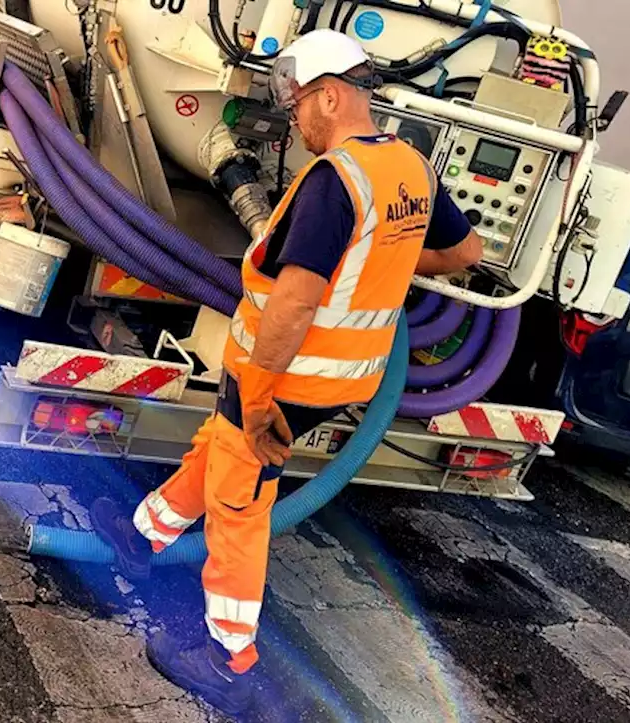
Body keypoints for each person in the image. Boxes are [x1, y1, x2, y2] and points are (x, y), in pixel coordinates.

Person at [89, 29, 483, 715]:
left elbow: (297, 298)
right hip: (343, 378)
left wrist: (261, 394)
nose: (294, 119)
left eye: (299, 103)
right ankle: (142, 532)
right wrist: (374, 264)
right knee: (218, 448)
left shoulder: (336, 181)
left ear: (331, 96)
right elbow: (462, 252)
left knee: (239, 508)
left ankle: (229, 659)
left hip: (286, 378)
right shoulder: (410, 168)